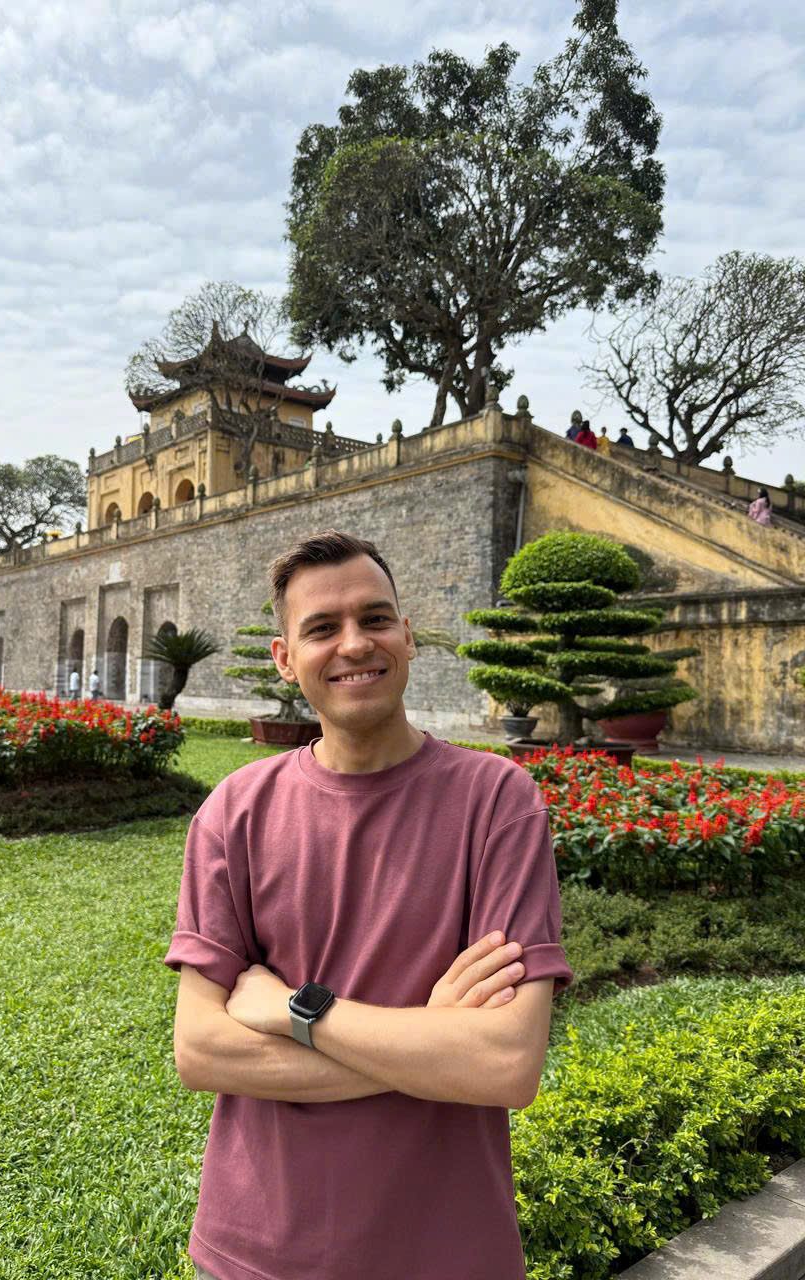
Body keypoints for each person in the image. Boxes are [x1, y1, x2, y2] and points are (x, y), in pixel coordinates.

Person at [164, 529, 573, 1280]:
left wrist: (295, 1011)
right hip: (256, 1249)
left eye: (375, 619)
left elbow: (507, 1065)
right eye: (322, 628)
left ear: (407, 636)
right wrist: (434, 1042)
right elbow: (201, 1051)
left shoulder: (496, 803)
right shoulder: (235, 812)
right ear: (284, 658)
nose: (355, 644)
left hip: (444, 1252)